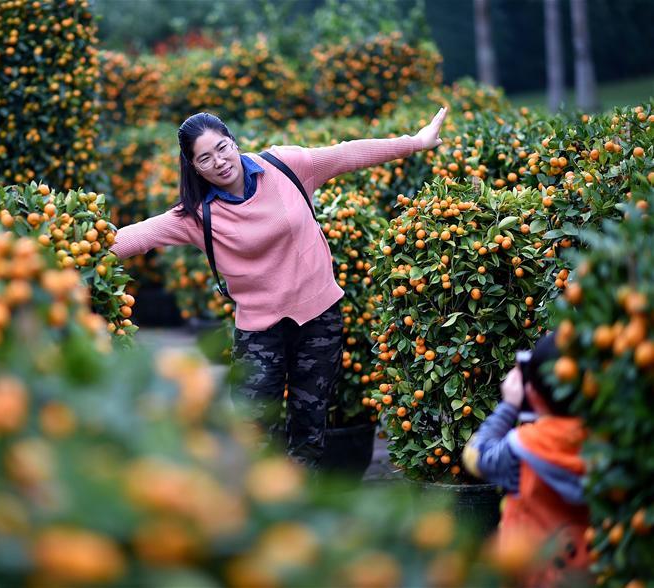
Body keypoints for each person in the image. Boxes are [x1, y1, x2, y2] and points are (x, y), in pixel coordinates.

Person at [109, 108, 447, 467]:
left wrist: (415, 143)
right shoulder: (197, 214)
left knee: (310, 429)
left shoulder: (285, 166)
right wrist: (70, 245)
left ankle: (303, 514)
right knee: (253, 432)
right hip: (259, 333)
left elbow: (346, 154)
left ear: (234, 142)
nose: (220, 162)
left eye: (223, 148)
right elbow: (135, 237)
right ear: (194, 167)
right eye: (205, 158)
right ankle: (263, 510)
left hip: (318, 319)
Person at [463, 331, 591, 586]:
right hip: (589, 571)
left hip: (531, 572)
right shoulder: (609, 442)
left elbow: (475, 456)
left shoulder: (523, 450)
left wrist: (510, 406)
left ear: (531, 394)